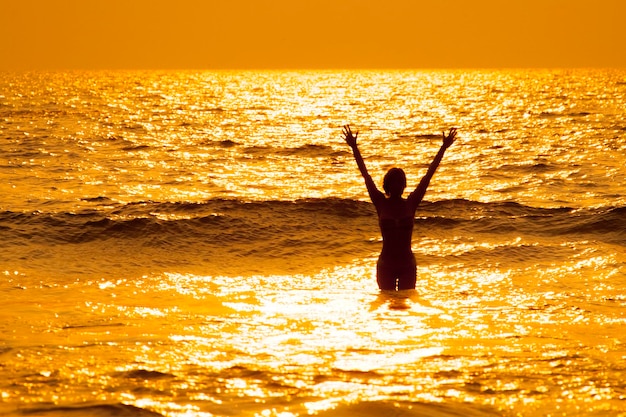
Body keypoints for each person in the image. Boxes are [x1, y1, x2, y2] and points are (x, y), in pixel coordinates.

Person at [342, 125, 457, 291]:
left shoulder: (411, 202)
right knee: (387, 305)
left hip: (407, 266)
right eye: (394, 182)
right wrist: (354, 147)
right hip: (385, 266)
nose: (398, 185)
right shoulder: (380, 202)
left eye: (400, 182)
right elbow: (365, 175)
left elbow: (429, 175)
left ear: (404, 185)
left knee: (404, 306)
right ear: (388, 185)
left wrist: (443, 148)